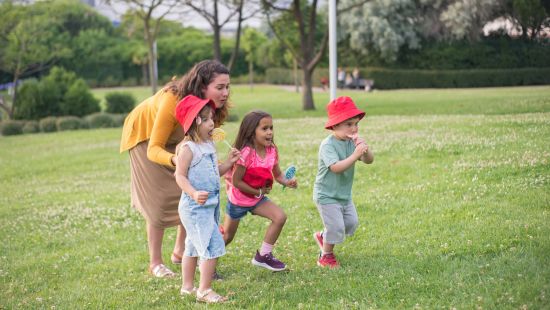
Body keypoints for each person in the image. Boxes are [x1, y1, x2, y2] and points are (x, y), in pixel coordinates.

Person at [119, 60, 231, 277]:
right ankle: (155, 263)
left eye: (227, 87)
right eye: (220, 87)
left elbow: (204, 142)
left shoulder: (211, 107)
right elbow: (154, 149)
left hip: (180, 139)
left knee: (191, 190)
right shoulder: (173, 100)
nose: (225, 93)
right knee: (158, 201)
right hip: (146, 137)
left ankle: (181, 251)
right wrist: (177, 161)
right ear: (201, 86)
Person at [174, 95, 239, 303]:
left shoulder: (209, 145)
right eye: (209, 119)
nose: (213, 123)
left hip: (209, 206)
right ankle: (204, 290)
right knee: (212, 245)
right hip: (194, 207)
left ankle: (187, 287)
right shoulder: (188, 148)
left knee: (192, 245)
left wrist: (228, 163)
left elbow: (213, 172)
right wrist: (193, 192)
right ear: (196, 121)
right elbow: (180, 176)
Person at [222, 110, 297, 272]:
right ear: (251, 132)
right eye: (264, 128)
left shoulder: (272, 151)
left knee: (280, 217)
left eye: (271, 128)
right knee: (227, 236)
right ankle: (206, 258)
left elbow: (277, 174)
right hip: (239, 200)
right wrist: (259, 192)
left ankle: (263, 255)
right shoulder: (246, 153)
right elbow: (236, 181)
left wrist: (287, 181)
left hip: (256, 198)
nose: (269, 132)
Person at [312, 96, 374, 268]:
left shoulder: (351, 142)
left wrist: (365, 150)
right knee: (336, 227)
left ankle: (324, 236)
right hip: (326, 195)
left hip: (344, 195)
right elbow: (336, 168)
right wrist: (355, 155)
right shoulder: (328, 145)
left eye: (356, 123)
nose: (354, 128)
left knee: (351, 223)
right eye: (349, 124)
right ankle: (326, 256)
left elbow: (369, 161)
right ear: (335, 125)